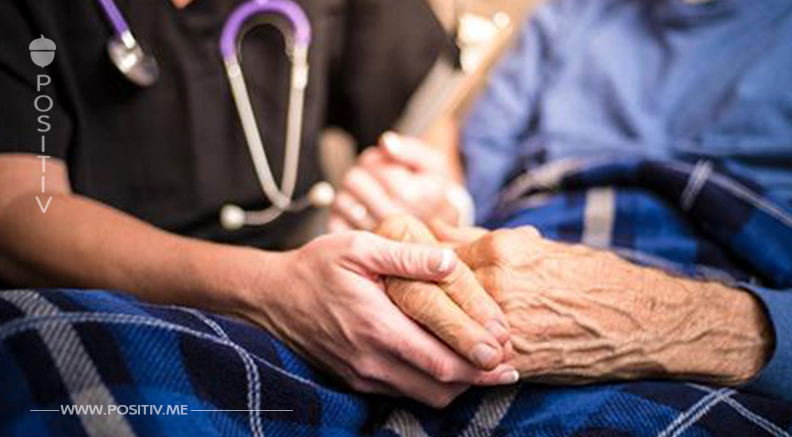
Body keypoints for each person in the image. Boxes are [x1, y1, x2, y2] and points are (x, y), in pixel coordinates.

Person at [0, 0, 521, 408]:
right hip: (105, 315)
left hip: (322, 303)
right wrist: (271, 291)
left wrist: (431, 198)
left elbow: (428, 131)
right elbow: (21, 210)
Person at [335, 0, 792, 405]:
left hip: (731, 271)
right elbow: (474, 190)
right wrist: (436, 203)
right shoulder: (566, 16)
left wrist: (670, 322)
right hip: (519, 256)